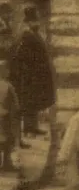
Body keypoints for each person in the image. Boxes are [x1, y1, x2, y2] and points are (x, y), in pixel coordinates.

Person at [10, 7, 54, 139]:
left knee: (35, 100)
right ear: (30, 21)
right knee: (29, 101)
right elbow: (23, 56)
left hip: (36, 73)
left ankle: (33, 127)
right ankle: (28, 129)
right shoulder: (26, 35)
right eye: (35, 21)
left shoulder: (34, 33)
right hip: (29, 75)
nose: (38, 23)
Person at [0, 73, 17, 171]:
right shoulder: (8, 86)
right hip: (4, 117)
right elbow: (15, 104)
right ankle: (7, 163)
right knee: (7, 140)